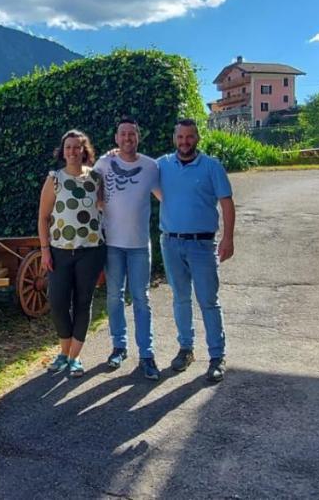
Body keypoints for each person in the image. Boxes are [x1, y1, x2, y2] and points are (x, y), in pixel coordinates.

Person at [156, 118, 235, 385]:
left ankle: (217, 356)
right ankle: (186, 349)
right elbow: (136, 170)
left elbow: (226, 204)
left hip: (202, 245)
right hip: (171, 242)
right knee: (180, 299)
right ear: (174, 138)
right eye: (180, 137)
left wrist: (228, 238)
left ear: (197, 138)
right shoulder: (162, 165)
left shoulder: (212, 166)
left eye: (189, 137)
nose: (184, 142)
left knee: (208, 301)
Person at [93, 119, 162, 380]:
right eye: (123, 134)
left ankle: (147, 354)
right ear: (116, 138)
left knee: (142, 299)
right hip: (112, 244)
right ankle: (118, 347)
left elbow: (165, 196)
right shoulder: (104, 163)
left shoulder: (150, 166)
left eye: (132, 134)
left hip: (138, 246)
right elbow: (89, 187)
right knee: (114, 297)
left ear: (138, 137)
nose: (127, 138)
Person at [38, 129, 106, 378]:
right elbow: (43, 218)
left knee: (82, 302)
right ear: (63, 151)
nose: (73, 151)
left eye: (77, 147)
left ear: (84, 150)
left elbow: (103, 209)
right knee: (57, 302)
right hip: (59, 252)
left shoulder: (96, 178)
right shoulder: (54, 178)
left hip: (90, 251)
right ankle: (64, 351)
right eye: (68, 147)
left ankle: (73, 357)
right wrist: (45, 250)